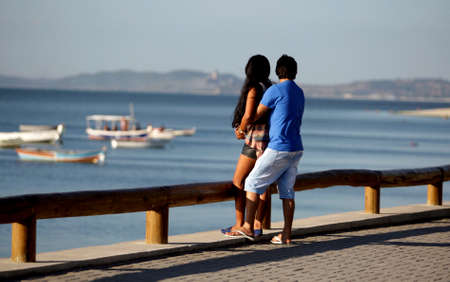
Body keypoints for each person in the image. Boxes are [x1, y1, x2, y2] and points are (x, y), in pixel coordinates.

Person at [236, 54, 305, 244]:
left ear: (277, 71)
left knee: (251, 182)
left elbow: (254, 115)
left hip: (279, 147)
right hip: (296, 148)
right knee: (287, 192)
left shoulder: (275, 90)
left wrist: (241, 130)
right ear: (295, 72)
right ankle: (286, 235)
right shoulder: (299, 92)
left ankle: (248, 227)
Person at [221, 55, 272, 237]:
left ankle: (239, 224)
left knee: (238, 181)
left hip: (254, 140)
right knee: (263, 183)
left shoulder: (254, 89)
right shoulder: (270, 87)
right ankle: (258, 224)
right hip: (269, 139)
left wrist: (241, 131)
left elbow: (248, 116)